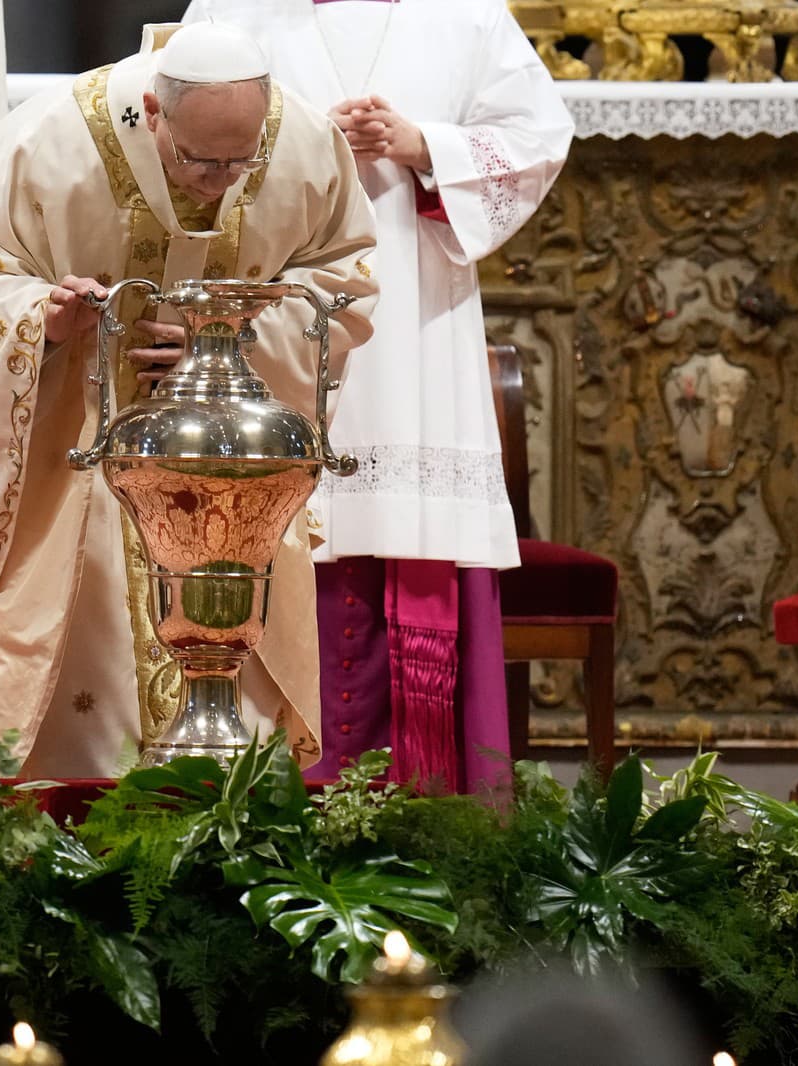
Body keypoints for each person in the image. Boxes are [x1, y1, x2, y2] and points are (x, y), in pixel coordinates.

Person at [0, 21, 378, 778]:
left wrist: (229, 345)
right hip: (79, 448)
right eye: (200, 159)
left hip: (230, 463)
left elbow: (345, 289)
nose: (218, 180)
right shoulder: (53, 139)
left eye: (241, 162)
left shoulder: (305, 144)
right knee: (79, 655)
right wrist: (45, 316)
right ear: (153, 109)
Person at [180, 0, 573, 791]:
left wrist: (424, 144)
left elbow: (537, 139)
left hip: (417, 326)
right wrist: (300, 147)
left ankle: (424, 808)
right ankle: (262, 800)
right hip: (273, 323)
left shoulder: (466, 16)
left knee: (405, 529)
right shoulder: (230, 13)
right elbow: (171, 141)